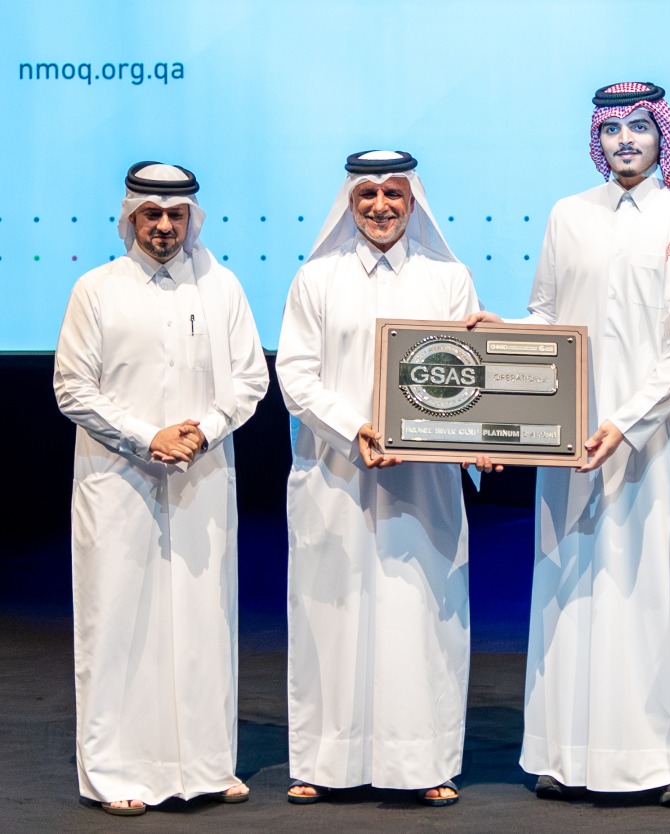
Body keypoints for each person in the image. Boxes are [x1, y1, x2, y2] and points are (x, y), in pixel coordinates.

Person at [467, 81, 670, 807]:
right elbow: (549, 318)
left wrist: (630, 421)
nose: (624, 142)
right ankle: (564, 751)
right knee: (571, 587)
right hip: (574, 438)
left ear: (662, 134)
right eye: (611, 130)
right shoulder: (569, 214)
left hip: (665, 437)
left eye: (639, 128)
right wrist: (503, 343)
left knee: (661, 589)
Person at [53, 161, 268, 816]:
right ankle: (112, 771)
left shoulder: (222, 286)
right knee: (116, 621)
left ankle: (205, 766)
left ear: (191, 219)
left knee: (203, 619)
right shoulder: (96, 289)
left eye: (176, 215)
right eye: (153, 215)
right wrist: (149, 436)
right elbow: (72, 388)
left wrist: (199, 432)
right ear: (130, 218)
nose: (165, 227)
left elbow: (250, 380)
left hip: (201, 476)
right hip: (116, 480)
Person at [277, 150, 482, 807]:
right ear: (349, 203)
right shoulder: (316, 279)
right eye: (367, 196)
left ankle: (424, 764)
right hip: (336, 475)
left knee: (420, 615)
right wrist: (353, 430)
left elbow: (470, 377)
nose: (381, 207)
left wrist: (484, 439)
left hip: (423, 485)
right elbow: (296, 377)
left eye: (394, 194)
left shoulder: (449, 279)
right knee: (328, 616)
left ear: (413, 200)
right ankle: (322, 762)